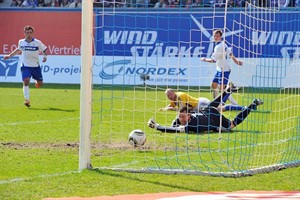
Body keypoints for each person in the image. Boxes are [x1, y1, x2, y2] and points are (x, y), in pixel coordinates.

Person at [148, 83, 264, 133]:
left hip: (212, 118)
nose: (181, 119)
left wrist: (157, 126)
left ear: (189, 115)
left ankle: (250, 105)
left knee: (231, 125)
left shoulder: (190, 125)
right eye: (180, 117)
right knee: (213, 107)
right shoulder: (182, 117)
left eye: (183, 117)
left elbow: (173, 130)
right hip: (206, 112)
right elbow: (174, 125)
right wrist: (175, 120)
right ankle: (231, 93)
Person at [4, 25, 48, 108]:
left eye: (30, 32)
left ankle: (36, 81)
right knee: (26, 81)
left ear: (33, 33)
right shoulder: (21, 42)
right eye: (27, 32)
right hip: (25, 66)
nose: (29, 34)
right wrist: (9, 56)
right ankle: (27, 100)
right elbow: (18, 50)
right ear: (24, 33)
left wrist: (45, 56)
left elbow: (44, 49)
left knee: (40, 84)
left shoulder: (38, 42)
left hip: (35, 66)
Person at [200, 29, 243, 106]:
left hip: (225, 70)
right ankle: (216, 102)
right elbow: (230, 53)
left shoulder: (219, 47)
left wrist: (204, 59)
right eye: (214, 36)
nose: (215, 37)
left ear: (220, 37)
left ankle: (233, 103)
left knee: (223, 89)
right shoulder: (223, 44)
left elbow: (213, 60)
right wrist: (236, 61)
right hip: (219, 69)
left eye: (217, 36)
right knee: (214, 85)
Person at [159, 87, 244, 113]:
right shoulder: (173, 99)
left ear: (174, 92)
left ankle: (244, 108)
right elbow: (171, 105)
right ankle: (227, 92)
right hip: (198, 105)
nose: (169, 96)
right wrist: (165, 108)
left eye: (170, 94)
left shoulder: (180, 96)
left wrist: (172, 109)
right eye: (167, 96)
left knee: (220, 108)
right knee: (219, 106)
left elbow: (186, 109)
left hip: (200, 104)